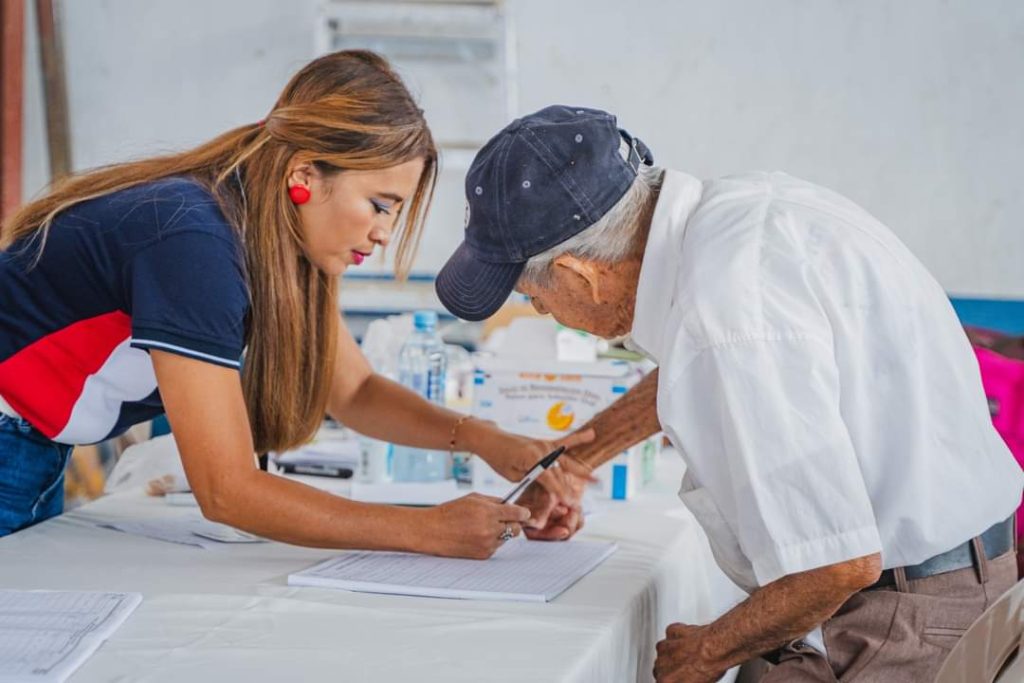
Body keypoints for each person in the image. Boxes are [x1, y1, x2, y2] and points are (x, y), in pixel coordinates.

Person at [435, 104, 1024, 681]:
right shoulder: (734, 220)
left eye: (535, 297)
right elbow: (708, 365)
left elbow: (836, 563)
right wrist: (574, 460)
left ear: (578, 274)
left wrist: (706, 652)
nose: (542, 311)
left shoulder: (726, 311)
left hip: (901, 616)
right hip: (934, 584)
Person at [0, 51, 591, 557]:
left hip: (35, 445)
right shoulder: (192, 241)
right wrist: (425, 530)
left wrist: (489, 440)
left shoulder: (269, 239)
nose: (385, 234)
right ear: (304, 173)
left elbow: (355, 392)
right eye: (380, 204)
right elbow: (226, 490)